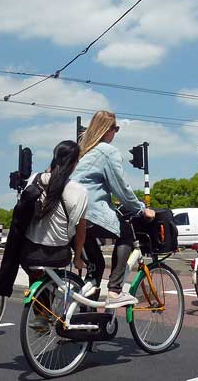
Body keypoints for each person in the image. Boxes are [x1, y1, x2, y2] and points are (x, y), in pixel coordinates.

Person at [71, 110, 155, 308]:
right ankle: (115, 291)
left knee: (97, 265)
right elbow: (121, 188)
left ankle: (86, 318)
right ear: (106, 130)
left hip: (69, 215)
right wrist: (141, 209)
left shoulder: (82, 151)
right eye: (115, 128)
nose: (116, 132)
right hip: (89, 212)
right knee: (125, 233)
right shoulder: (107, 151)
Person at [23, 140, 88, 330]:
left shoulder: (35, 179)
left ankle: (41, 314)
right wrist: (77, 258)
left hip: (29, 252)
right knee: (58, 263)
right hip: (58, 253)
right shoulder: (79, 191)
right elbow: (81, 229)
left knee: (36, 269)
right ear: (75, 163)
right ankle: (51, 309)